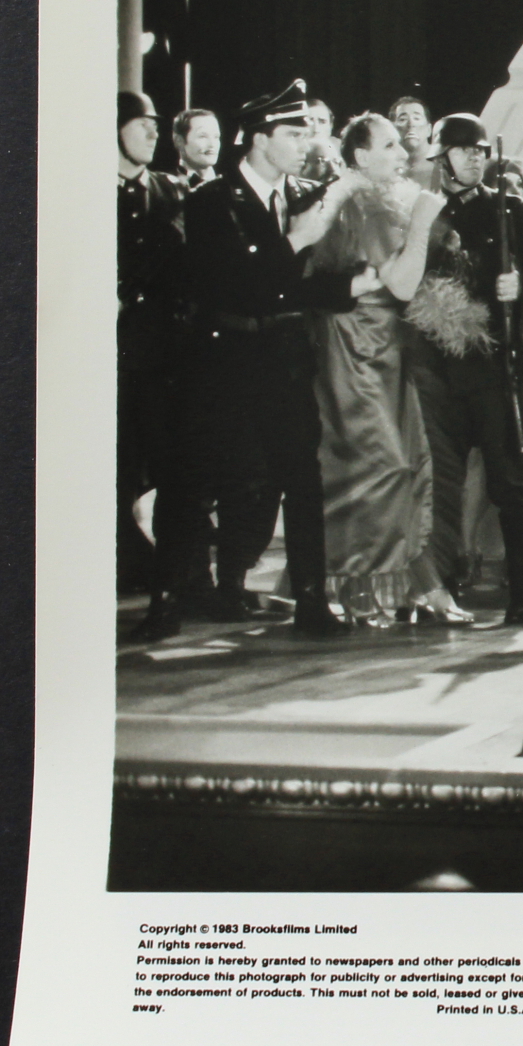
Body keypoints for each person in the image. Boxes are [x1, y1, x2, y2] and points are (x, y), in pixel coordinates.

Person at [135, 80, 354, 642]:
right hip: (223, 356)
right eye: (293, 132)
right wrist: (297, 241)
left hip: (283, 357)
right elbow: (239, 283)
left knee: (300, 479)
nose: (305, 142)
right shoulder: (212, 201)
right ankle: (165, 601)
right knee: (191, 480)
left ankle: (311, 600)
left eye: (307, 131)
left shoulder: (304, 195)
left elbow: (302, 288)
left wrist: (350, 283)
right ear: (259, 140)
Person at [400, 113, 523, 628]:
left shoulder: (510, 210)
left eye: (478, 148)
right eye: (462, 148)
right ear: (440, 156)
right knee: (437, 484)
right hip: (431, 365)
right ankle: (438, 587)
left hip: (490, 363)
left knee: (510, 481)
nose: (474, 156)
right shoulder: (417, 211)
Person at [305, 113, 443, 623]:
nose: (403, 153)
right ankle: (359, 586)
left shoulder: (365, 201)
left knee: (395, 465)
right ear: (361, 157)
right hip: (358, 350)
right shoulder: (366, 206)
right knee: (377, 467)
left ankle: (403, 586)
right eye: (389, 145)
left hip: (382, 349)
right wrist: (424, 224)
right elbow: (403, 285)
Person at [118, 91, 185, 593]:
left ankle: (172, 575)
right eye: (142, 122)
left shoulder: (171, 191)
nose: (153, 131)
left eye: (157, 123)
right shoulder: (84, 192)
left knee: (170, 463)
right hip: (110, 357)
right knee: (116, 465)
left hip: (163, 355)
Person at [390, 95, 441, 192]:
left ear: (429, 129)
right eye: (402, 119)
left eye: (416, 118)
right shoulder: (387, 168)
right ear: (392, 129)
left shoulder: (445, 165)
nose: (411, 124)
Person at [170, 107, 220, 189]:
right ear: (179, 141)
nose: (212, 144)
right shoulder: (164, 186)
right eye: (202, 136)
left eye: (216, 137)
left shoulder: (230, 185)